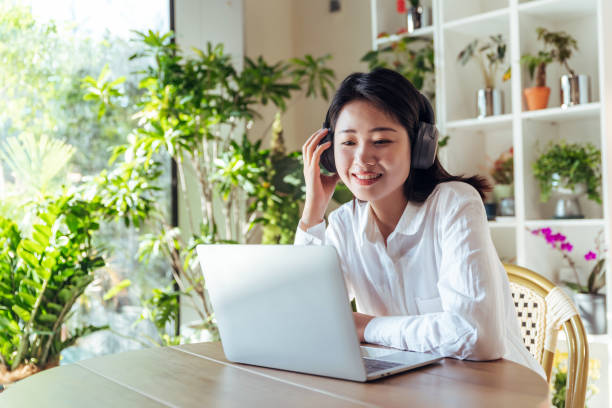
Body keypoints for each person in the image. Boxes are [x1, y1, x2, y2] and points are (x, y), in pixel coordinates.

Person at [295, 68, 544, 377]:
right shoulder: (345, 224)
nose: (362, 158)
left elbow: (477, 337)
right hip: (409, 390)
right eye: (348, 143)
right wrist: (313, 212)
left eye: (381, 140)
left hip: (494, 391)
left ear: (420, 146)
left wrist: (368, 326)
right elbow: (306, 316)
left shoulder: (455, 203)